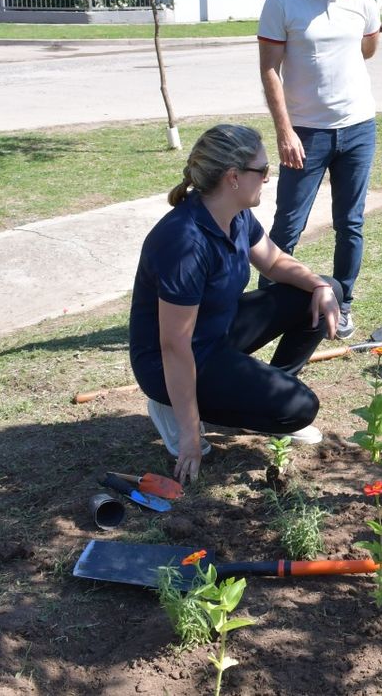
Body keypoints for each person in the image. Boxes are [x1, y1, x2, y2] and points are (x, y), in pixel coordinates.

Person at [129, 124, 341, 484]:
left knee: (321, 292)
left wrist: (320, 285)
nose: (268, 178)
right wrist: (192, 435)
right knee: (301, 409)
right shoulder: (184, 243)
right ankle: (171, 408)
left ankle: (266, 397)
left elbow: (274, 263)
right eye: (262, 170)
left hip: (216, 332)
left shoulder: (235, 214)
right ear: (232, 177)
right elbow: (174, 345)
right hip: (171, 362)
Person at [258, 0, 382, 339]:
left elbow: (366, 47)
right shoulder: (282, 2)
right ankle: (266, 308)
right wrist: (285, 131)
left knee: (351, 222)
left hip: (358, 128)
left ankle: (342, 303)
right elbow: (270, 71)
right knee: (288, 224)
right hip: (306, 134)